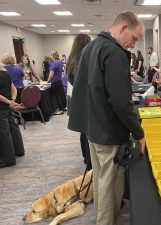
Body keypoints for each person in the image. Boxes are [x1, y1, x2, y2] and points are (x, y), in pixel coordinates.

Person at [68, 11, 145, 225]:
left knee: (101, 183)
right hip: (109, 132)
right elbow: (121, 103)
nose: (133, 45)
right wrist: (139, 133)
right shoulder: (114, 52)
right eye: (134, 38)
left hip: (93, 130)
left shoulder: (90, 48)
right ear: (123, 28)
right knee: (109, 187)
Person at [65, 33, 92, 170]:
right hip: (88, 98)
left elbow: (71, 80)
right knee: (89, 131)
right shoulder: (87, 59)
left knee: (83, 130)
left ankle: (85, 157)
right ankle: (89, 160)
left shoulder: (71, 60)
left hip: (77, 97)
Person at [0, 66, 25, 168]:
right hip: (8, 107)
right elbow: (13, 88)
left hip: (2, 107)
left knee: (4, 133)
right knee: (14, 128)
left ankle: (8, 159)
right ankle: (19, 151)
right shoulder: (5, 74)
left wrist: (10, 102)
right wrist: (13, 100)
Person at [47, 51, 66, 115]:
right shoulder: (60, 63)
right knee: (62, 95)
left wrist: (48, 81)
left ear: (53, 55)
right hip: (59, 81)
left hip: (55, 82)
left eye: (51, 54)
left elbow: (51, 73)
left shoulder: (54, 63)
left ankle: (60, 110)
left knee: (57, 96)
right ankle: (64, 107)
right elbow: (64, 70)